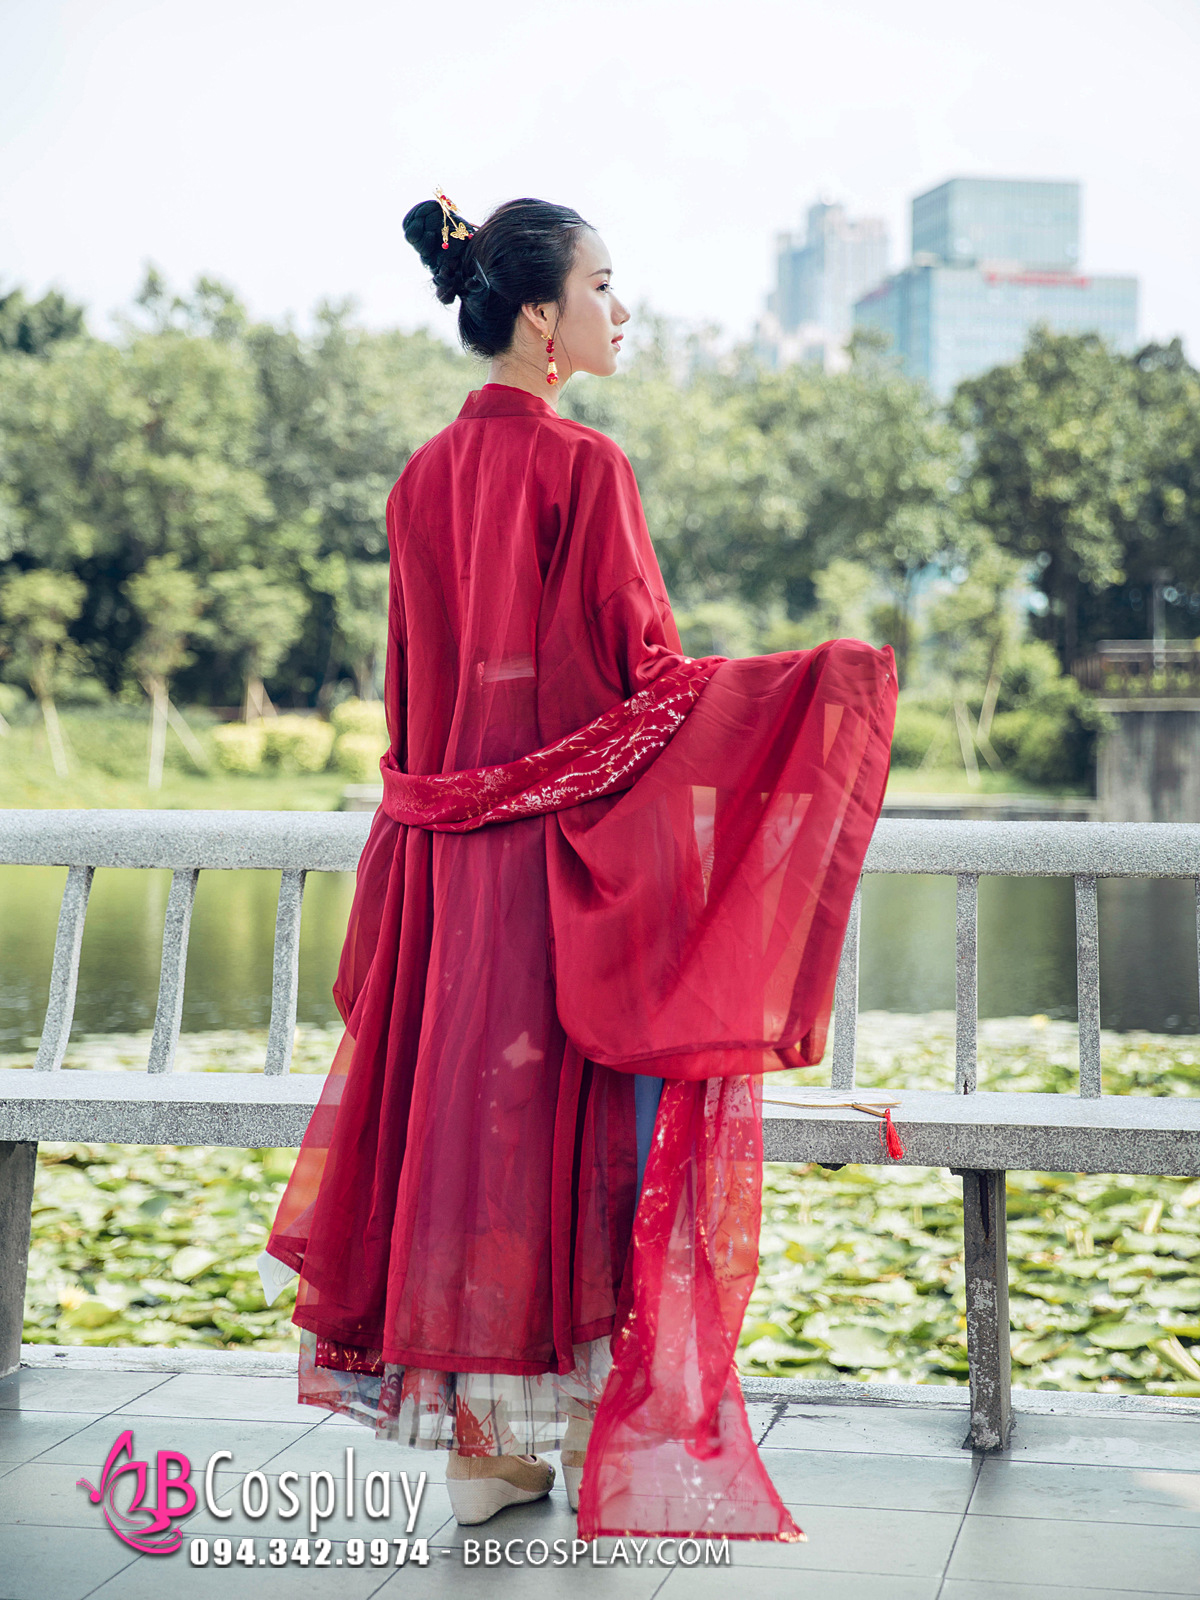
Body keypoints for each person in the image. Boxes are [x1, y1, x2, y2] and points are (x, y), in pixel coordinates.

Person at [264, 190, 897, 1541]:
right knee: (567, 1137)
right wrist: (812, 688)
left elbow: (424, 706)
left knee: (467, 1141)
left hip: (443, 881)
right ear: (542, 317)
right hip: (549, 880)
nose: (620, 309)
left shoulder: (420, 480)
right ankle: (562, 1421)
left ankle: (484, 1448)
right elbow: (642, 691)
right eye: (603, 286)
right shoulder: (584, 469)